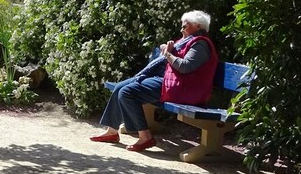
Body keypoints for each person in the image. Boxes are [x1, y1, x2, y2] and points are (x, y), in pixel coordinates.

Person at [90, 10, 218, 151]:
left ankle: (145, 137)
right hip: (170, 81)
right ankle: (112, 132)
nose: (181, 29)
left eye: (185, 26)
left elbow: (185, 67)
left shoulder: (201, 44)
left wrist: (168, 53)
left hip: (184, 88)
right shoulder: (187, 41)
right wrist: (168, 50)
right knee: (120, 87)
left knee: (127, 92)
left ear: (198, 26)